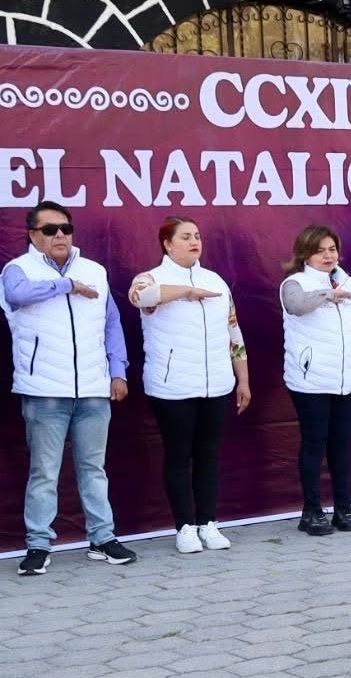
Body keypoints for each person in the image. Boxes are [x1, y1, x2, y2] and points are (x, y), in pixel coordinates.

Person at [3, 201, 137, 576]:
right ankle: (38, 545)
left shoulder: (94, 270)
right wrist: (66, 285)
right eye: (50, 229)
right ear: (33, 235)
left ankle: (102, 538)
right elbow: (16, 296)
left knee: (94, 468)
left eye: (65, 227)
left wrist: (118, 372)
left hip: (93, 388)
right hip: (44, 390)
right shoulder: (18, 270)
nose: (60, 235)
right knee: (45, 471)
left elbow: (112, 323)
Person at [128, 216, 252, 554]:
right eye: (185, 237)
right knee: (179, 455)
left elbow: (233, 331)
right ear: (168, 244)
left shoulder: (216, 281)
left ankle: (207, 523)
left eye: (197, 236)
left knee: (209, 454)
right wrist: (184, 291)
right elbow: (137, 296)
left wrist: (243, 378)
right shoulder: (153, 277)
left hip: (216, 384)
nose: (194, 241)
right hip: (173, 387)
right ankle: (183, 525)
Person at [280, 225, 351, 535]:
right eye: (320, 250)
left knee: (341, 446)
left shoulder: (349, 281)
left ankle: (343, 508)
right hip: (311, 382)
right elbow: (297, 306)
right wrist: (327, 295)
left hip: (347, 380)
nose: (328, 255)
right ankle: (312, 511)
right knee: (314, 444)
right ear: (306, 253)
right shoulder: (295, 283)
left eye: (332, 249)